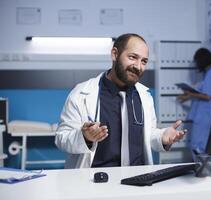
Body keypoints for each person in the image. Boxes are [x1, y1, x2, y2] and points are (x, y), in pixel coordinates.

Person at [55, 33, 186, 168]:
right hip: (96, 181)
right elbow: (61, 138)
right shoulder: (81, 93)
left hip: (137, 178)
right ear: (115, 54)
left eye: (144, 61)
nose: (138, 66)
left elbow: (149, 135)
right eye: (133, 57)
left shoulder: (144, 97)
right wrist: (85, 137)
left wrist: (162, 137)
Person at [177, 48, 211, 155]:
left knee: (198, 148)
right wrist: (189, 96)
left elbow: (208, 96)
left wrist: (191, 94)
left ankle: (202, 171)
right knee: (197, 147)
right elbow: (204, 94)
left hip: (205, 118)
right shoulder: (209, 74)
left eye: (197, 61)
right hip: (203, 117)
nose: (196, 64)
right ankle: (201, 170)